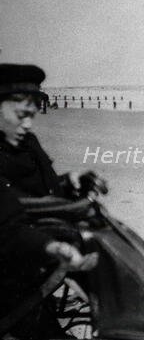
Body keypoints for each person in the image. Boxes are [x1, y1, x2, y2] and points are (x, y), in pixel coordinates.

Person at [0, 64, 97, 320]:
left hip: (33, 231)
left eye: (32, 114)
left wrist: (69, 181)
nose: (28, 124)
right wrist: (50, 246)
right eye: (21, 115)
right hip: (17, 245)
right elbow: (8, 217)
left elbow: (43, 188)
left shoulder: (26, 142)